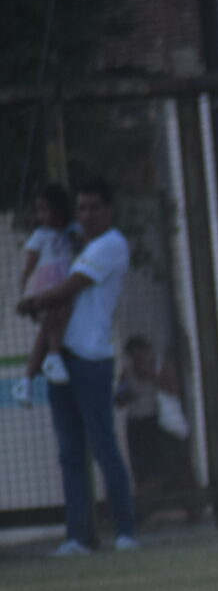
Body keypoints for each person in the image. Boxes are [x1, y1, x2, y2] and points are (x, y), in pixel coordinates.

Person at [16, 180, 137, 555]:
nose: (86, 215)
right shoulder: (75, 243)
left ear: (109, 210)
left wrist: (31, 301)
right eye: (81, 208)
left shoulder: (109, 245)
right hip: (62, 357)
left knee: (103, 447)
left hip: (90, 358)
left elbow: (69, 288)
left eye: (94, 208)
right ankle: (77, 537)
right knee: (69, 453)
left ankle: (125, 532)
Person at [116, 335, 195, 519]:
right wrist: (126, 395)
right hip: (137, 423)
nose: (138, 359)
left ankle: (191, 509)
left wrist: (151, 376)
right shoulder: (127, 372)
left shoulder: (161, 364)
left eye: (140, 354)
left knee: (172, 469)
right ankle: (145, 513)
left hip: (160, 423)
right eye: (133, 355)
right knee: (143, 471)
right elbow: (119, 399)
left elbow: (174, 389)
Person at [16, 183, 78, 403]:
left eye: (45, 209)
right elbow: (29, 266)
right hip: (48, 285)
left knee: (45, 331)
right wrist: (25, 294)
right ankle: (53, 356)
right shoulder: (40, 235)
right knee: (57, 314)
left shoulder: (72, 232)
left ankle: (26, 381)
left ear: (59, 208)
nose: (41, 215)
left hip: (65, 282)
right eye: (38, 210)